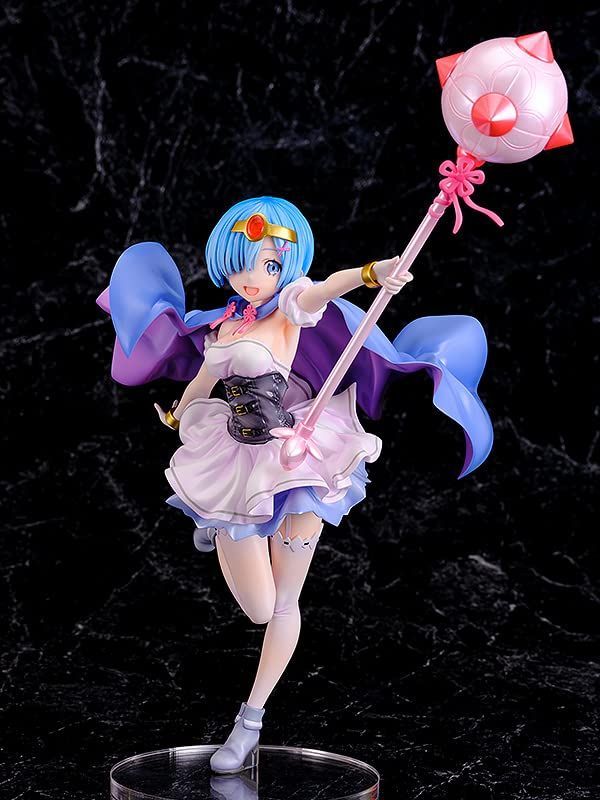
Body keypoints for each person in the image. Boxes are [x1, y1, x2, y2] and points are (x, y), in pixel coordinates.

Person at [97, 196, 493, 773]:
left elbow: (323, 290)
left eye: (270, 265)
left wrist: (372, 274)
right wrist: (178, 415)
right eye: (243, 262)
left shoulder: (289, 305)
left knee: (282, 603)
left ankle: (249, 722)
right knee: (257, 607)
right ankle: (215, 524)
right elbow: (205, 379)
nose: (255, 276)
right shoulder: (226, 322)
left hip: (299, 456)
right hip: (235, 458)